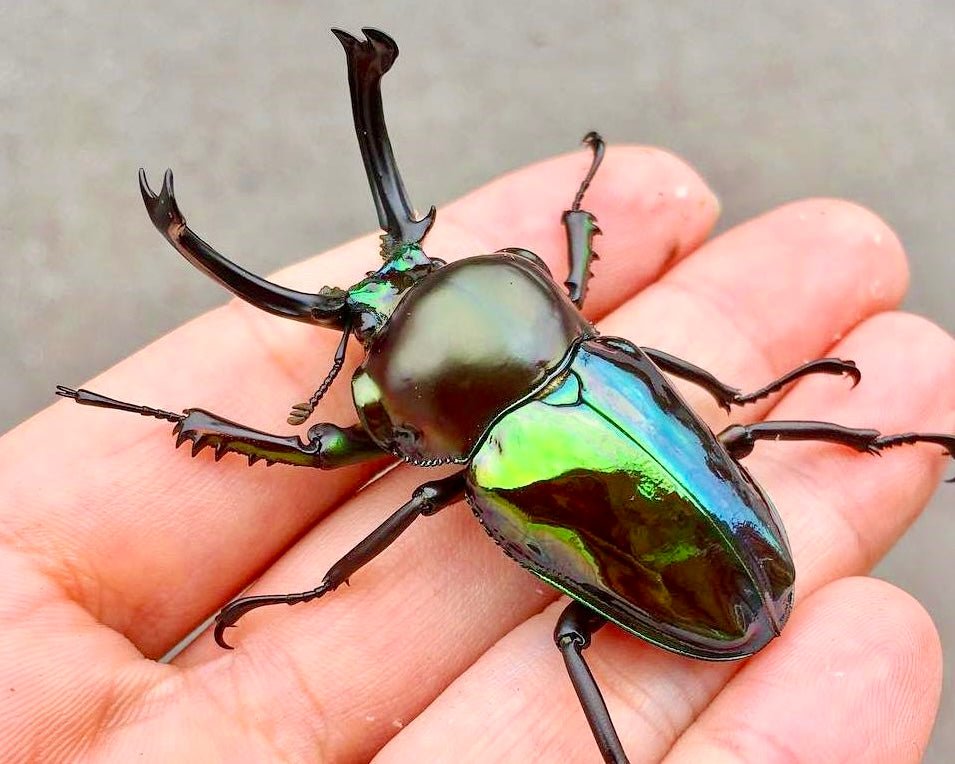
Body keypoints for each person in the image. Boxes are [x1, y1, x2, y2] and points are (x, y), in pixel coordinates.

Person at [0, 145, 947, 762]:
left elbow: (331, 451)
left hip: (714, 589)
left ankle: (863, 436)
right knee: (722, 429)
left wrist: (318, 587)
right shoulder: (603, 357)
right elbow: (673, 384)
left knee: (565, 625)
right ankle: (860, 435)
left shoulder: (477, 451)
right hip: (727, 560)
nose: (381, 285)